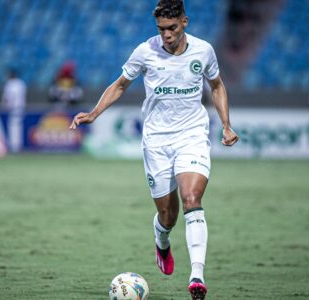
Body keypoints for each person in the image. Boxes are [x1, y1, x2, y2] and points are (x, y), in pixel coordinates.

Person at [70, 1, 238, 299]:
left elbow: (217, 85)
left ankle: (196, 276)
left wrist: (226, 124)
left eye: (172, 28)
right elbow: (121, 85)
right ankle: (162, 240)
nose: (166, 35)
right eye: (161, 29)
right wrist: (94, 113)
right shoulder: (145, 51)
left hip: (192, 135)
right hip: (157, 142)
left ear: (184, 22)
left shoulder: (204, 51)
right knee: (168, 215)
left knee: (192, 198)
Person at [1, 69, 27, 153]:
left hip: (12, 109)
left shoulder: (9, 84)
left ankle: (14, 146)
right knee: (18, 127)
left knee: (13, 127)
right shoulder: (21, 83)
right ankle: (17, 146)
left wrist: (4, 105)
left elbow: (7, 98)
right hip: (20, 108)